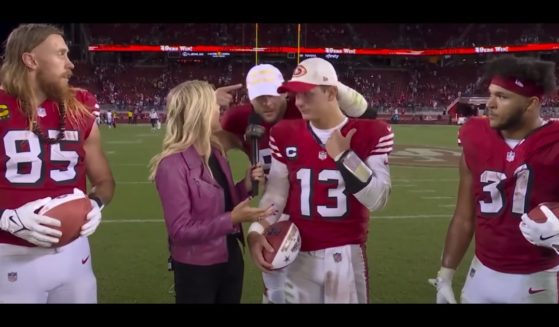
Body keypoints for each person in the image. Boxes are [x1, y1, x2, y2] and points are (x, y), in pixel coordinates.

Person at [217, 63, 374, 303]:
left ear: (285, 92)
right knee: (277, 292)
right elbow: (199, 137)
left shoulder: (305, 106)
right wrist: (209, 101)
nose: (267, 103)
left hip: (319, 217)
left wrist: (334, 86)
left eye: (272, 94)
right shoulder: (238, 118)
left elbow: (368, 114)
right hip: (276, 214)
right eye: (260, 98)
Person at [429, 55, 559, 304]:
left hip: (537, 280)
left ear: (531, 103)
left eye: (502, 97)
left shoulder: (554, 141)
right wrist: (445, 275)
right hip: (481, 275)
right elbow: (464, 217)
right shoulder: (475, 135)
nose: (490, 104)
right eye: (491, 94)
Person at [0, 23, 115, 303]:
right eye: (61, 54)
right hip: (9, 258)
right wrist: (3, 217)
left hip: (76, 257)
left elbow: (104, 182)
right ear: (30, 59)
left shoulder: (78, 108)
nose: (71, 64)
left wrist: (96, 204)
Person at [149, 80, 275, 304]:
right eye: (212, 105)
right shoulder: (171, 165)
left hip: (231, 258)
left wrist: (244, 186)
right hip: (197, 268)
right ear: (198, 113)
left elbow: (224, 201)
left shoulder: (215, 152)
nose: (219, 109)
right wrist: (233, 219)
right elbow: (180, 230)